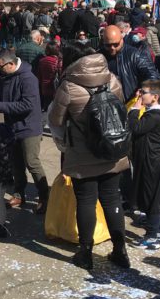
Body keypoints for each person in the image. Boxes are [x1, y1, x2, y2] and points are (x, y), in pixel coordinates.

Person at [48, 43, 130, 272]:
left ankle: (85, 252)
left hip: (83, 153)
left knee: (85, 201)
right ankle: (120, 249)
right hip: (112, 149)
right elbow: (120, 108)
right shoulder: (111, 79)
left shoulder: (68, 85)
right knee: (112, 199)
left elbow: (55, 120)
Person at [0, 49, 48, 213]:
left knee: (31, 162)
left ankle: (44, 196)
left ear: (11, 64)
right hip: (12, 127)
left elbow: (28, 105)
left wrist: (1, 106)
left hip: (29, 127)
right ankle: (19, 194)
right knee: (16, 164)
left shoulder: (28, 78)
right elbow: (1, 95)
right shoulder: (5, 76)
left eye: (0, 67)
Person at [127, 80, 160, 251]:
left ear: (154, 97)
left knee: (151, 197)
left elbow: (134, 128)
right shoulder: (155, 114)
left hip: (153, 161)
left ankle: (153, 235)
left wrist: (135, 109)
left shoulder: (154, 116)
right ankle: (157, 231)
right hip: (155, 160)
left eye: (143, 92)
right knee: (155, 197)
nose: (139, 95)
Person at [99, 25, 160, 102]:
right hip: (109, 104)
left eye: (115, 44)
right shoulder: (99, 56)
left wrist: (143, 90)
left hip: (130, 103)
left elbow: (152, 74)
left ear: (121, 40)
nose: (112, 48)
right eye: (108, 45)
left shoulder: (135, 54)